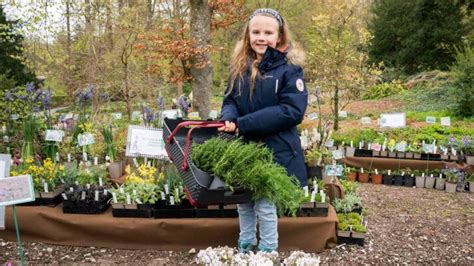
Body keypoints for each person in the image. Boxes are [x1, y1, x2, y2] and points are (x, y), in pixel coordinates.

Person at [218, 8, 308, 253]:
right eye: (255, 31)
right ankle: (245, 246)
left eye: (268, 32)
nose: (261, 37)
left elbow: (291, 110)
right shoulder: (240, 67)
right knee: (244, 201)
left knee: (266, 204)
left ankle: (268, 252)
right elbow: (230, 101)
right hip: (245, 149)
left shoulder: (289, 70)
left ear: (279, 37)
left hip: (275, 149)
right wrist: (228, 119)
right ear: (248, 35)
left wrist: (243, 123)